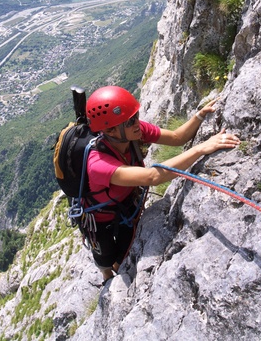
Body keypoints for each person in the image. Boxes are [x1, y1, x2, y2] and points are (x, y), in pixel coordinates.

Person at [85, 85, 240, 284]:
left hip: (126, 204)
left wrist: (199, 116)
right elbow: (152, 177)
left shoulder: (133, 131)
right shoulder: (98, 164)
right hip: (100, 218)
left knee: (124, 255)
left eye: (136, 116)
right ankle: (106, 277)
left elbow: (177, 138)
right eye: (131, 120)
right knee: (105, 258)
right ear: (109, 130)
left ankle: (117, 267)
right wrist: (201, 149)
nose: (137, 123)